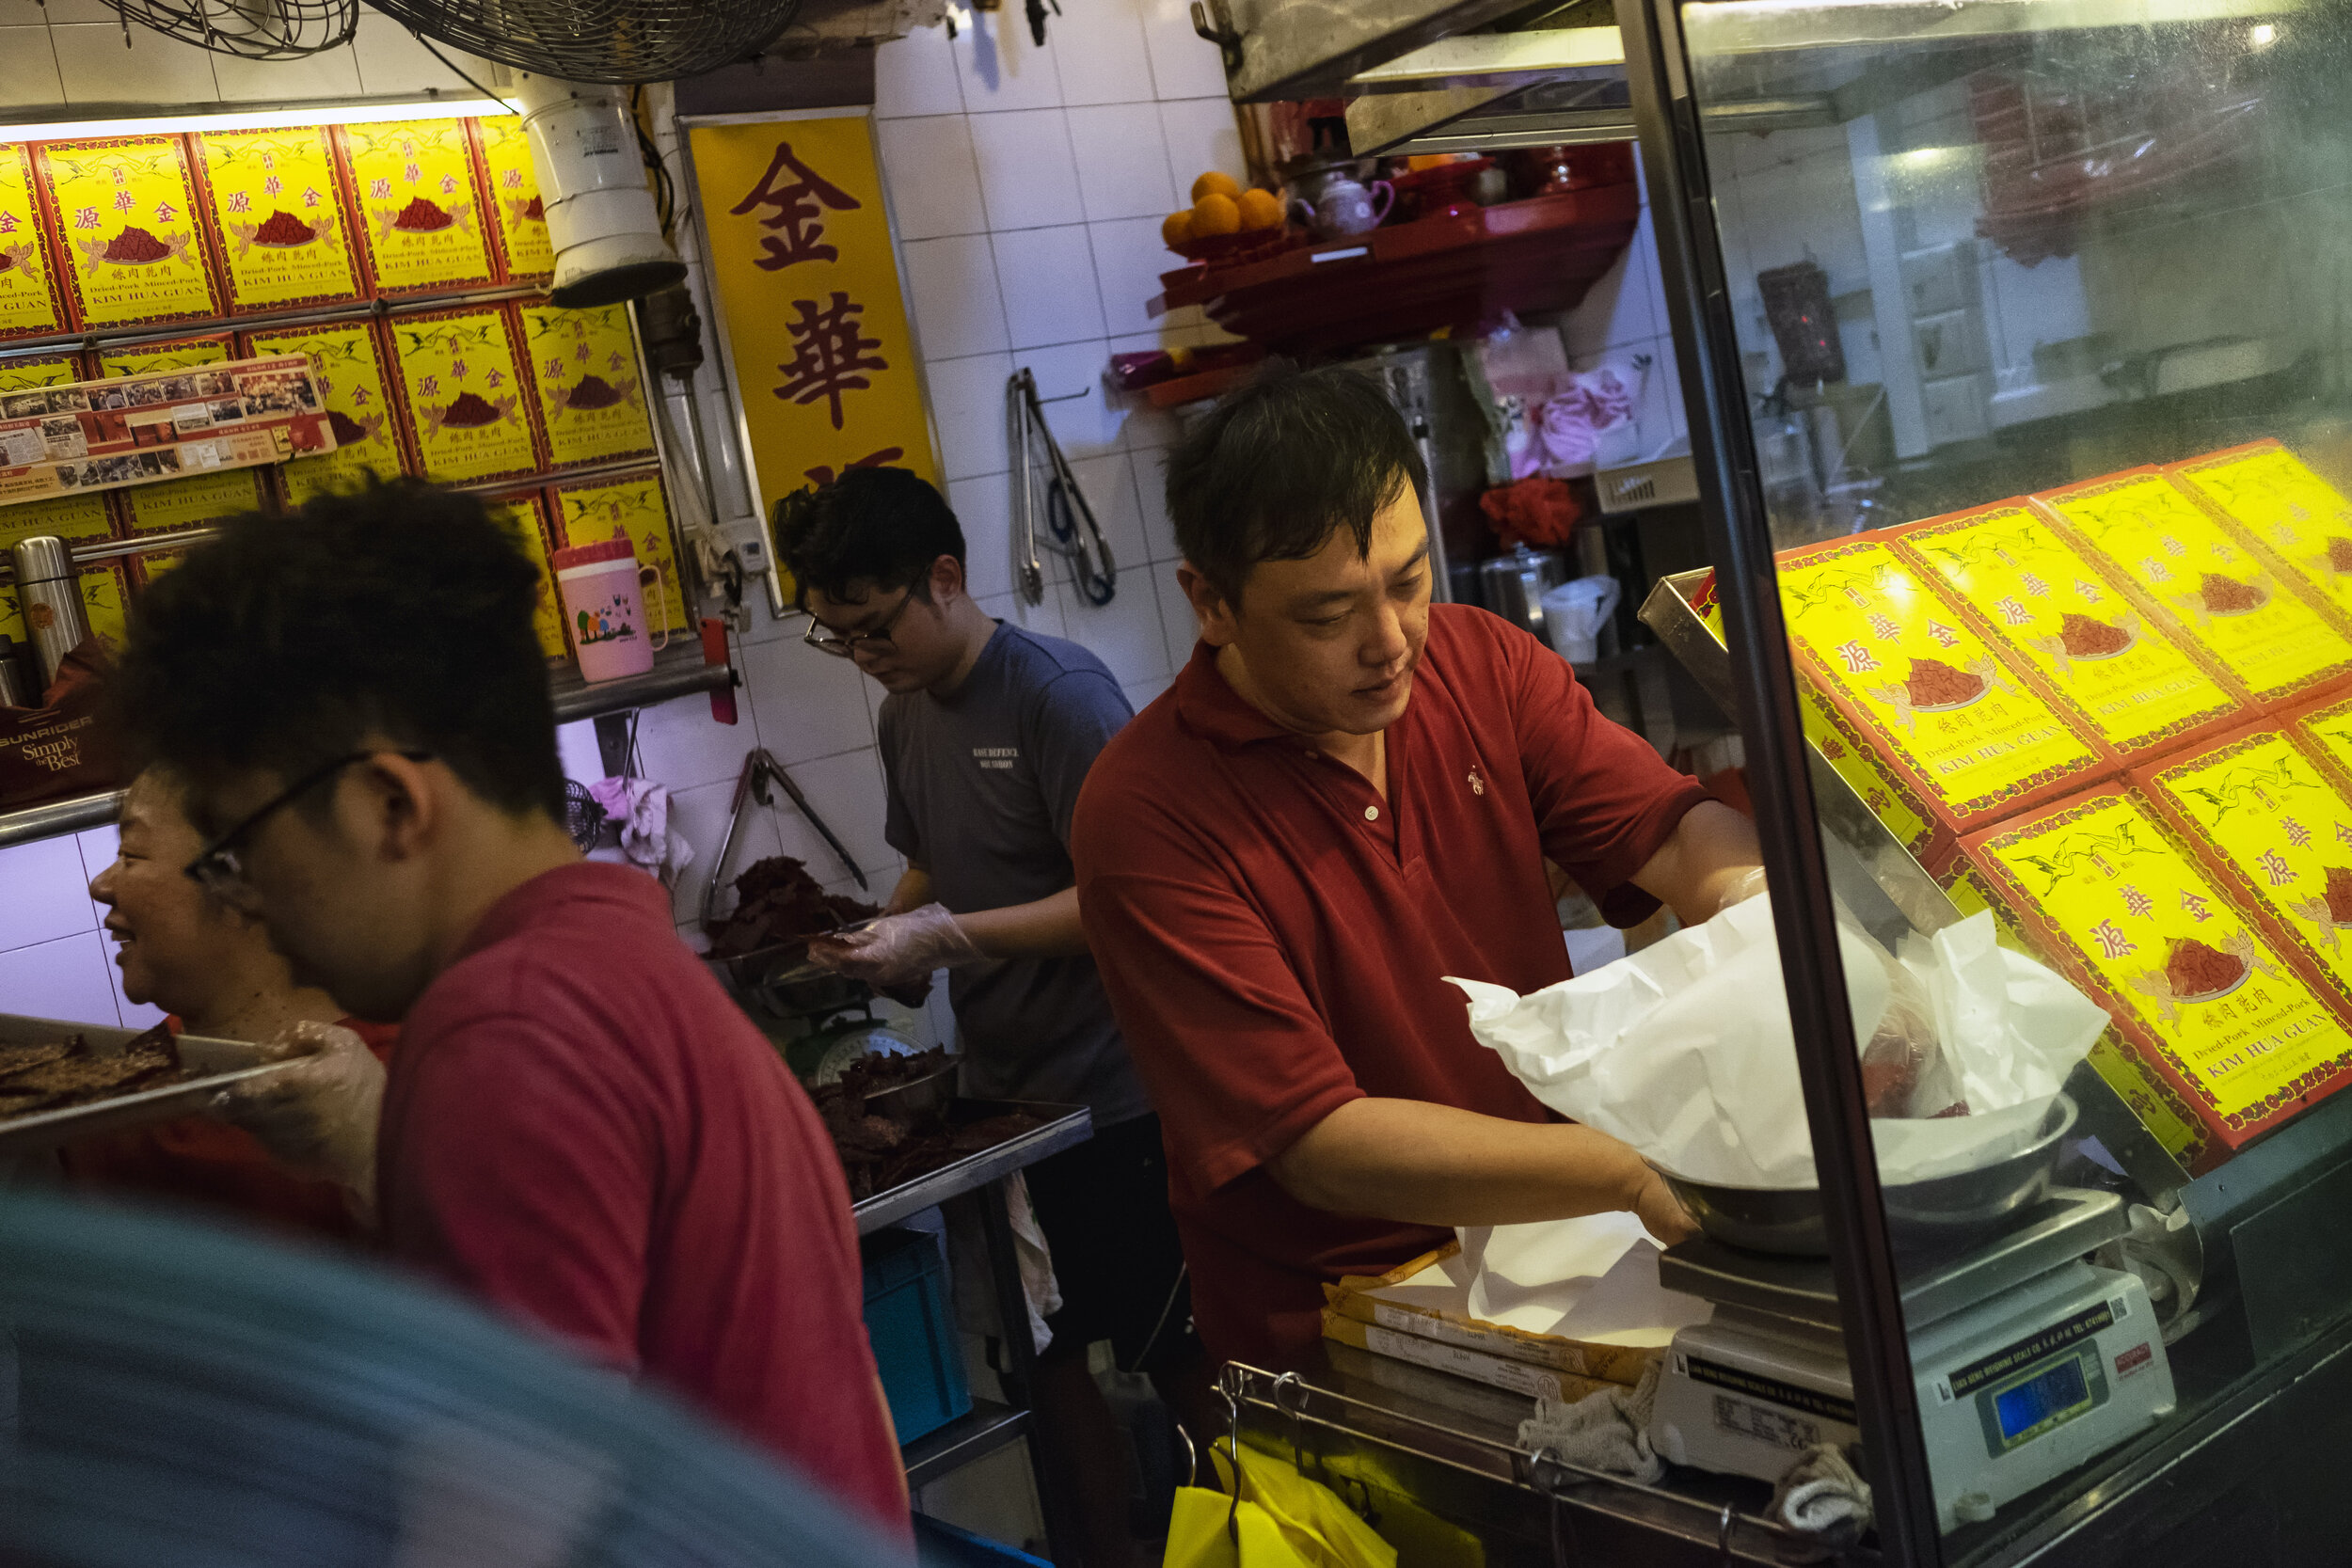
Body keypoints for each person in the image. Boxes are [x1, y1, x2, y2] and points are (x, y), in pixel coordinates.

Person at [105, 479, 911, 1545]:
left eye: (243, 851)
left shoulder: (503, 1036)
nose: (246, 899)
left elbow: (500, 1524)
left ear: (389, 806)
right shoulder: (619, 953)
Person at [1071, 367, 1765, 1370]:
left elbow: (1677, 832)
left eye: (1407, 581)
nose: (1389, 642)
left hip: (1562, 1252)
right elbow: (1321, 1142)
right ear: (1210, 603)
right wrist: (1628, 1165)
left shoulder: (1483, 663)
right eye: (1326, 616)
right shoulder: (1146, 812)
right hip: (1346, 1323)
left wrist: (1761, 917)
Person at [776, 468, 1218, 1568]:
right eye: (839, 636)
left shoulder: (1058, 695)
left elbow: (1128, 898)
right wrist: (885, 936)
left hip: (1121, 1096)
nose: (866, 653)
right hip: (1004, 1099)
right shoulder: (902, 718)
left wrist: (949, 937)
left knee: (1177, 1355)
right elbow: (931, 861)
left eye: (875, 625)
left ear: (944, 577)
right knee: (1043, 1356)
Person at [61, 766, 397, 1240]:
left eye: (130, 854)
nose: (100, 884)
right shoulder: (100, 1092)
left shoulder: (403, 1094)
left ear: (247, 881)